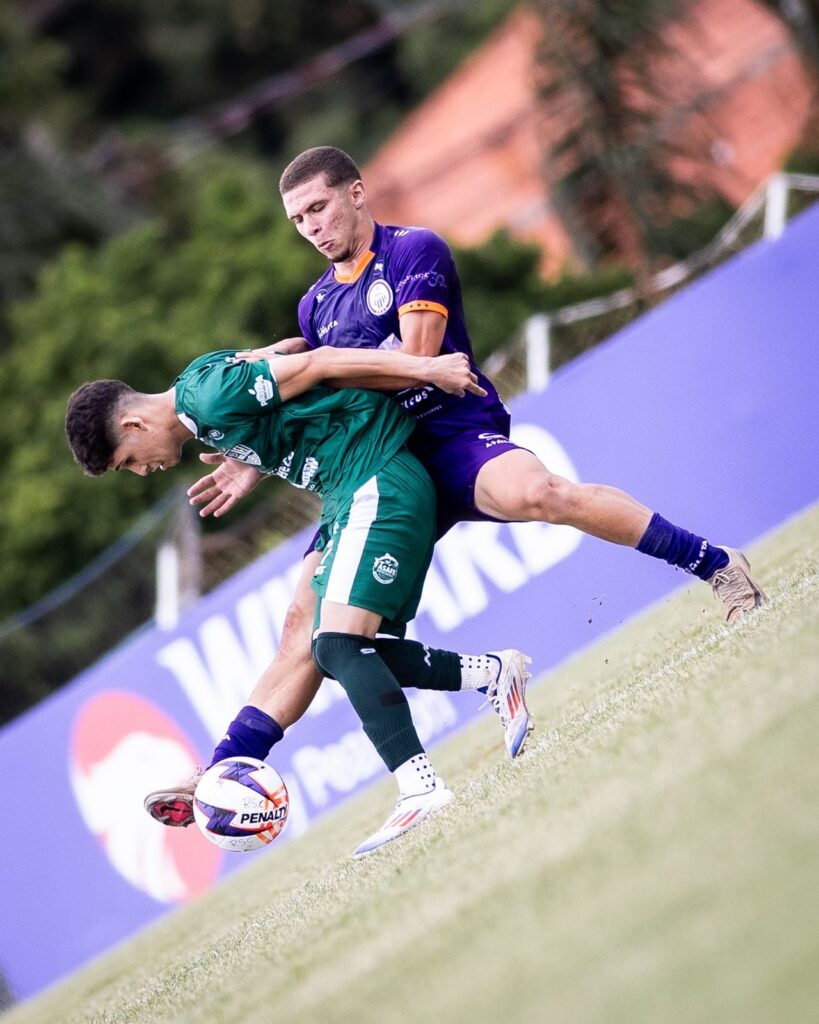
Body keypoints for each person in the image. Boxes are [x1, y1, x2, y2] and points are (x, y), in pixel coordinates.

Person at [146, 144, 766, 833]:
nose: (311, 227)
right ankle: (220, 771)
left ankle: (716, 565)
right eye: (297, 219)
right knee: (312, 634)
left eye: (318, 207)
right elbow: (301, 375)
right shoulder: (315, 305)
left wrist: (319, 370)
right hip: (369, 468)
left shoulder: (414, 252)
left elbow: (415, 363)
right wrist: (247, 453)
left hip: (446, 433)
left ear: (356, 193)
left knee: (544, 495)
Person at [65, 344, 533, 856]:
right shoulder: (198, 393)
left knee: (335, 645)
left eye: (128, 461)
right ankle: (490, 675)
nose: (139, 470)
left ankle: (420, 786)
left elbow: (317, 362)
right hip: (344, 493)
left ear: (132, 424)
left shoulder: (208, 397)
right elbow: (284, 351)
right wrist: (254, 456)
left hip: (375, 477)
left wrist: (426, 369)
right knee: (303, 634)